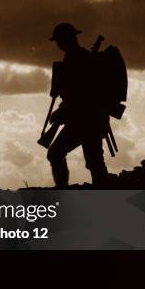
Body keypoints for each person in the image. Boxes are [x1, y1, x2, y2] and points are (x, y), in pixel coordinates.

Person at [46, 23, 109, 187]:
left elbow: (81, 95)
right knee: (94, 161)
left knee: (57, 154)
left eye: (60, 39)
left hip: (85, 120)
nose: (58, 43)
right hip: (89, 119)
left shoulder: (77, 59)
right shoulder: (78, 57)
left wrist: (61, 112)